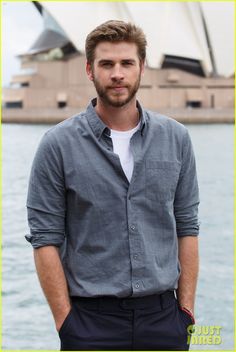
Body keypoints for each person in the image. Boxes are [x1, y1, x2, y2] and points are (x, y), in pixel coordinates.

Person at [26, 20, 200, 351]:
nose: (117, 73)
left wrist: (186, 313)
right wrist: (67, 323)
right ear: (90, 70)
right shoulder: (57, 144)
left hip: (163, 318)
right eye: (107, 64)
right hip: (90, 322)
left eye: (126, 63)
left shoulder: (176, 138)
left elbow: (187, 228)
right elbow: (45, 238)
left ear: (142, 68)